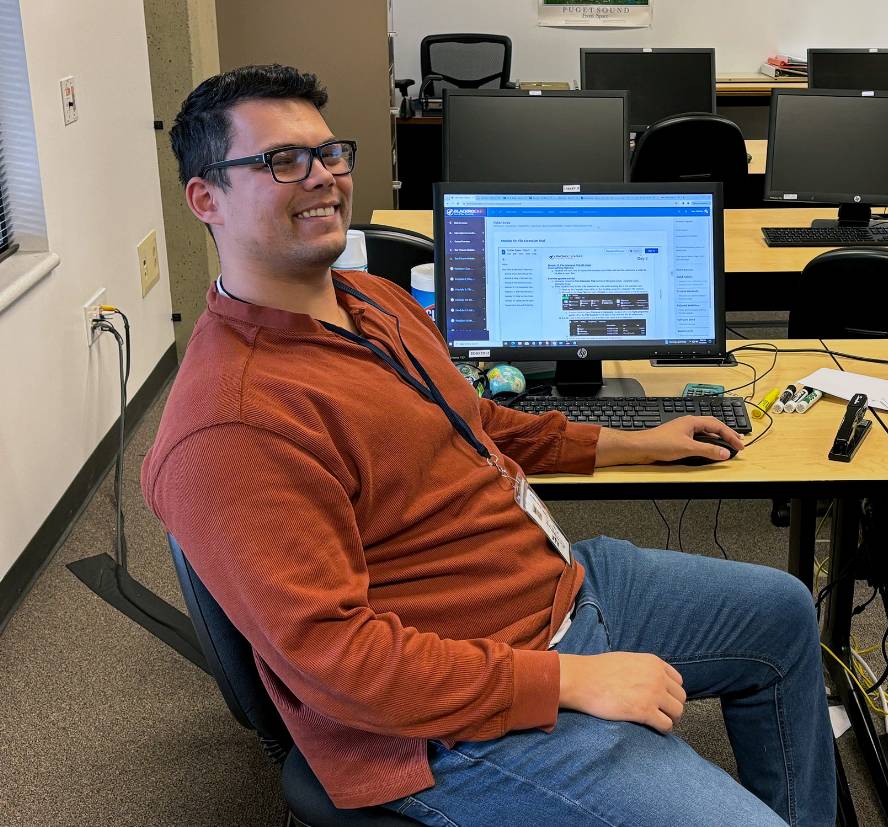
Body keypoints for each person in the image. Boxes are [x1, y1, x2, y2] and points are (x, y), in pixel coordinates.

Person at [143, 64, 835, 826]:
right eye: (283, 161)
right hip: (444, 715)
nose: (325, 178)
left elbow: (471, 422)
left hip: (557, 592)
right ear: (204, 198)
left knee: (780, 608)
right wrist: (569, 682)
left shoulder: (370, 301)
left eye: (331, 152)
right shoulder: (232, 424)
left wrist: (633, 443)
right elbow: (339, 662)